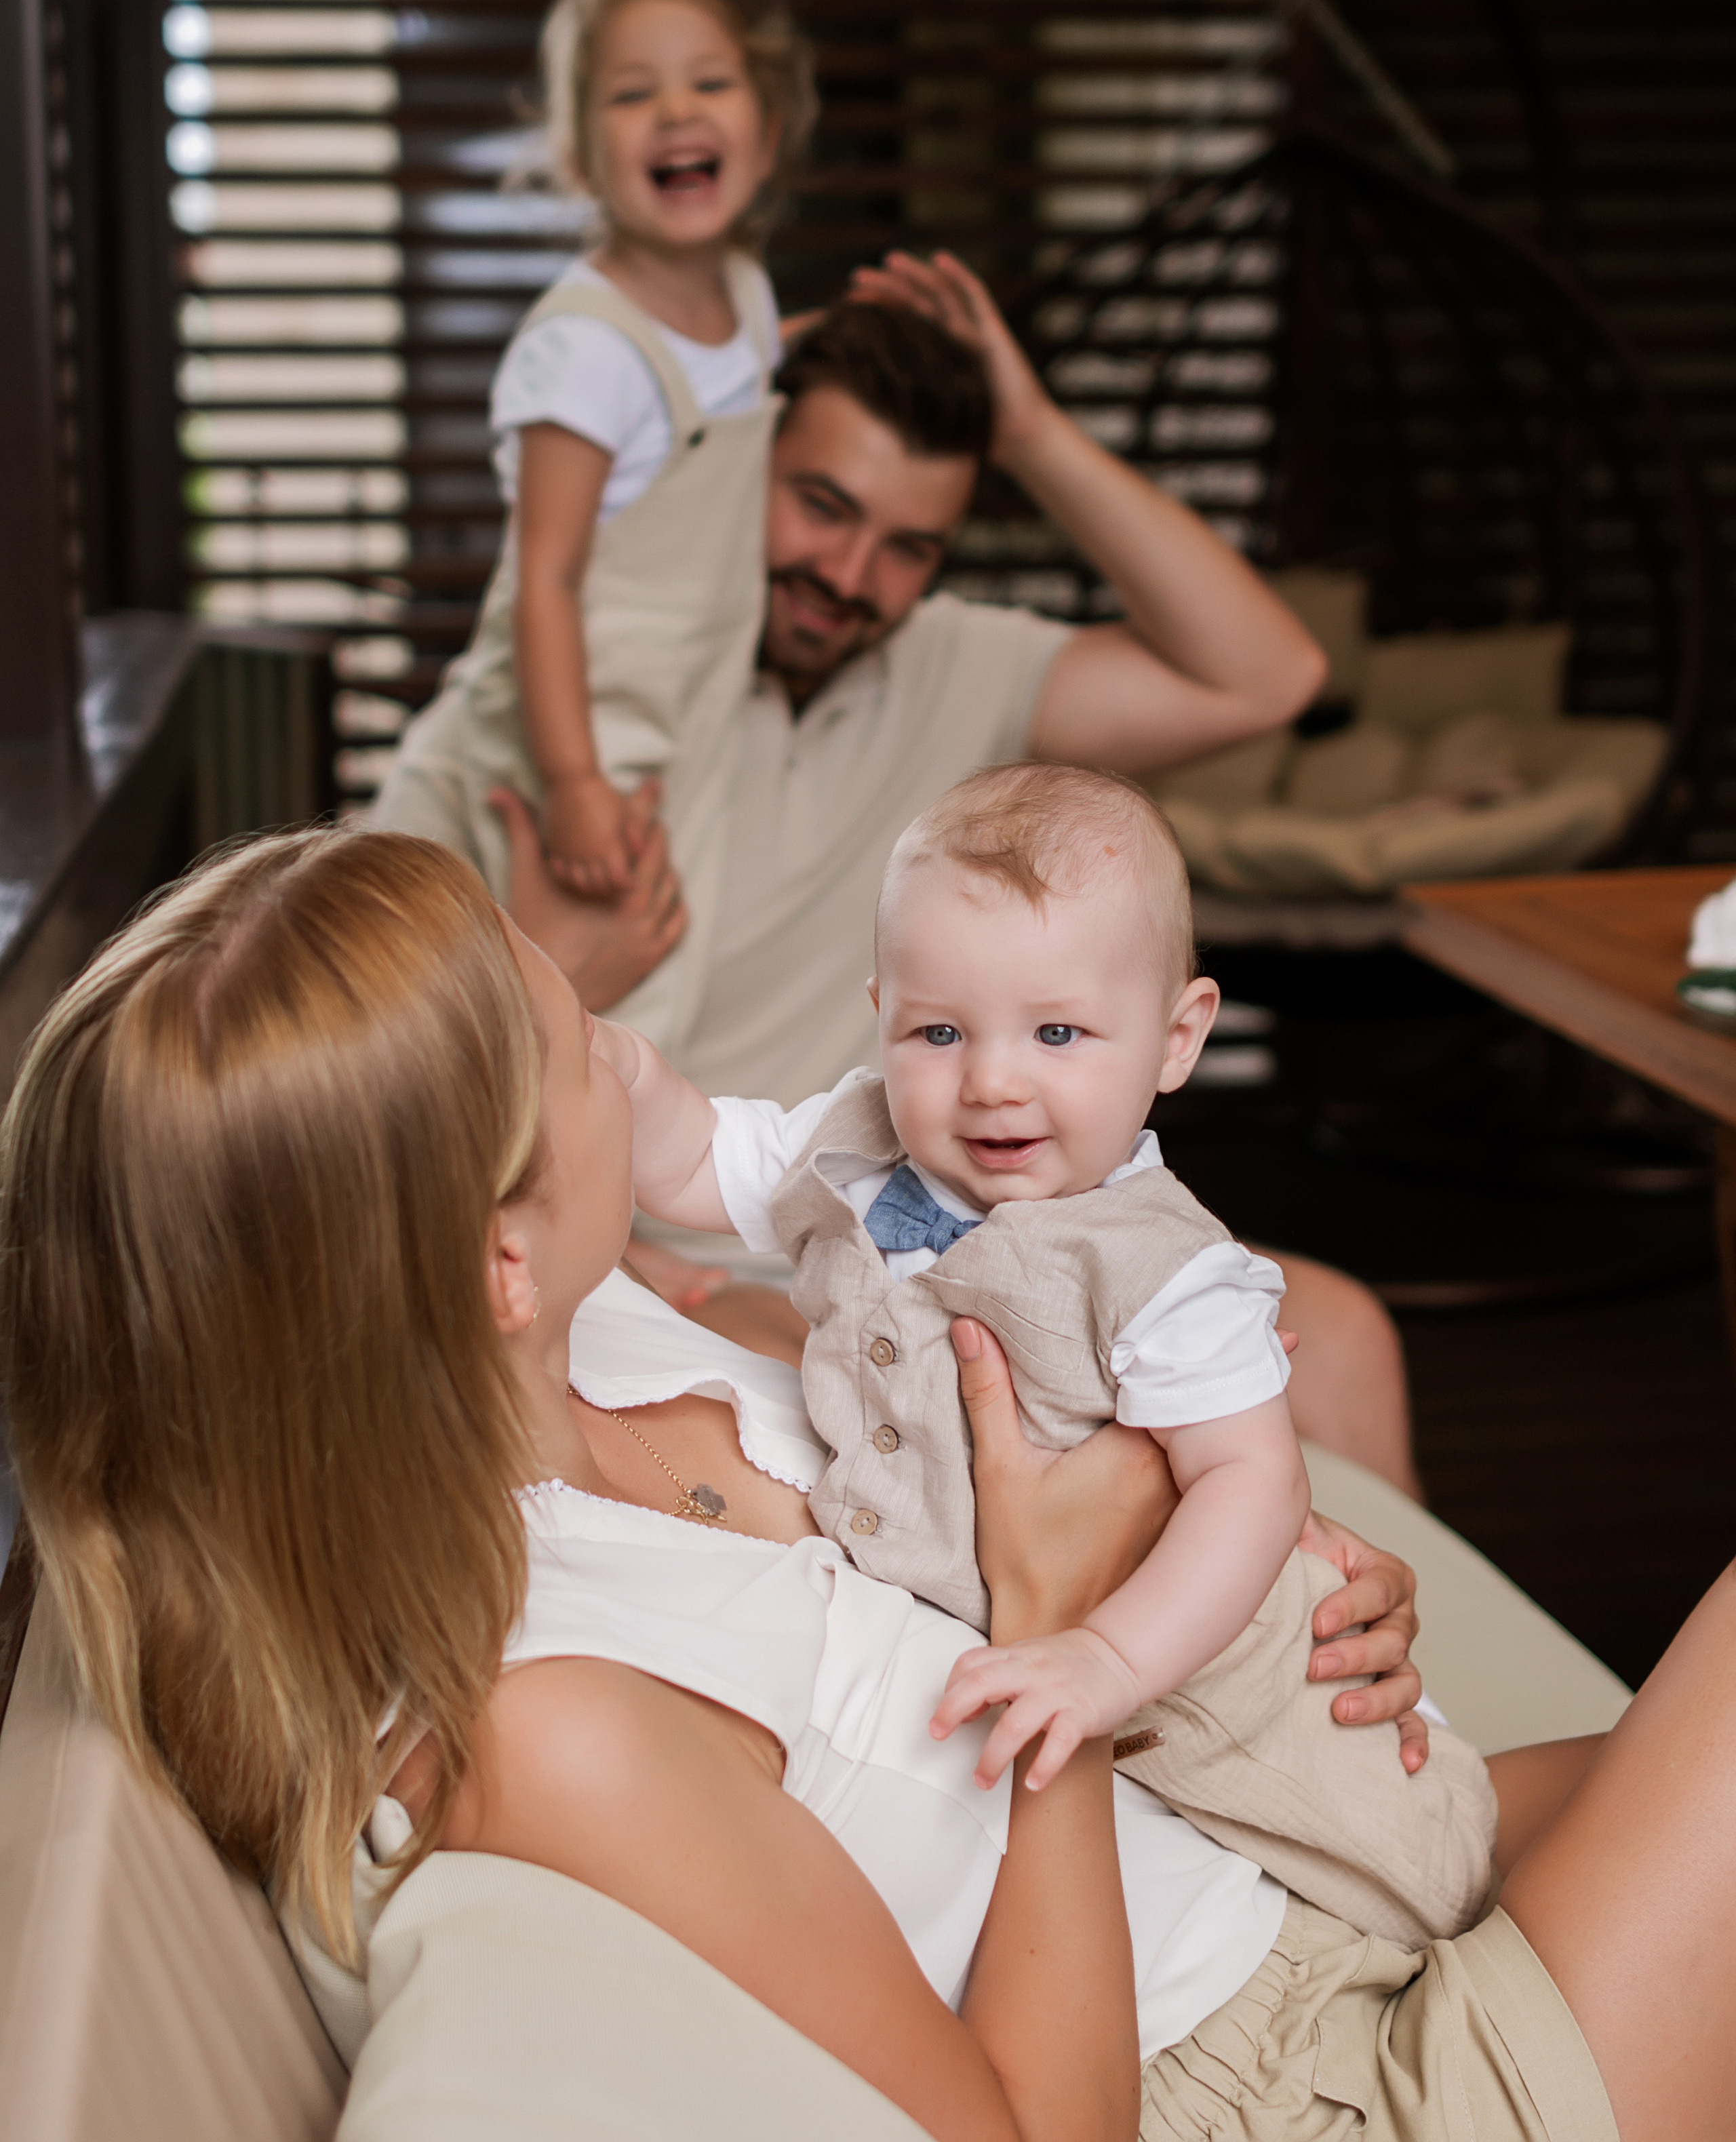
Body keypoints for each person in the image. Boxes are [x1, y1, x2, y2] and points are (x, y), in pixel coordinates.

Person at [6, 823, 1730, 2142]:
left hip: (1278, 1873)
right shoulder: (553, 1728)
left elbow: (970, 1399)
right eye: (579, 1039)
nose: (627, 1051)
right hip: (1292, 2087)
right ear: (490, 1263)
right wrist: (1061, 1631)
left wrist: (1261, 1548)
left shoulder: (599, 1343)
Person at [497, 268, 1418, 1494]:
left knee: (1345, 1341)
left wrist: (1028, 430)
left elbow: (1270, 675)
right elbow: (416, 1065)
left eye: (907, 546)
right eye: (822, 507)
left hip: (995, 1221)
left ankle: (1358, 1675)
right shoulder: (587, 691)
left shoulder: (957, 668)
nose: (850, 573)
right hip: (723, 1237)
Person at [598, 761, 1497, 1941]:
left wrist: (1109, 1660)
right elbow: (692, 1158)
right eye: (939, 1031)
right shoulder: (858, 1149)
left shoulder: (1168, 1271)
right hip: (1057, 1664)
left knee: (1409, 1877)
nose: (991, 1082)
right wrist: (618, 1072)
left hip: (1208, 1670)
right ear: (881, 1016)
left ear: (1177, 1039)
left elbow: (1252, 1481)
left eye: (1059, 1031)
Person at [371, 0, 815, 1045]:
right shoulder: (586, 350)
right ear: (579, 156)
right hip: (579, 722)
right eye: (632, 92)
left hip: (677, 715)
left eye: (709, 82)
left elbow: (722, 404)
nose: (676, 109)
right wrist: (571, 778)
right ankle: (550, 1207)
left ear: (765, 125)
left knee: (653, 995)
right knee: (575, 1002)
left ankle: (603, 1199)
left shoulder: (748, 298)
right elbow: (547, 578)